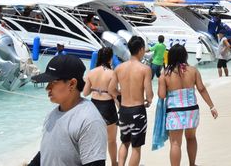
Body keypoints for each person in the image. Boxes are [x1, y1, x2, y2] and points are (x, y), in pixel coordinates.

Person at [28, 54, 107, 166]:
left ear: (72, 84)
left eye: (53, 83)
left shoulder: (89, 121)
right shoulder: (53, 115)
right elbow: (47, 152)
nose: (47, 88)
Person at [158, 44, 218, 166]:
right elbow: (201, 89)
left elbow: (162, 95)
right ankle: (192, 164)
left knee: (175, 143)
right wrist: (211, 106)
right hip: (192, 110)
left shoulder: (165, 74)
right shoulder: (193, 71)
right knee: (191, 138)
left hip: (174, 111)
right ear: (185, 55)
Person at [109, 36, 153, 166]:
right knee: (136, 147)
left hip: (123, 111)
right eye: (144, 49)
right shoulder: (145, 69)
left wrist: (121, 95)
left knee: (125, 142)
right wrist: (148, 101)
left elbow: (111, 90)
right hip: (137, 111)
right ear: (140, 49)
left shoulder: (119, 68)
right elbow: (149, 95)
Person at [82, 47, 118, 166]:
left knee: (94, 141)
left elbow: (85, 93)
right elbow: (113, 93)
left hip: (94, 107)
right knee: (111, 140)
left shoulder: (91, 72)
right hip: (108, 107)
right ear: (109, 58)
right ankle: (114, 163)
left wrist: (96, 88)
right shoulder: (112, 73)